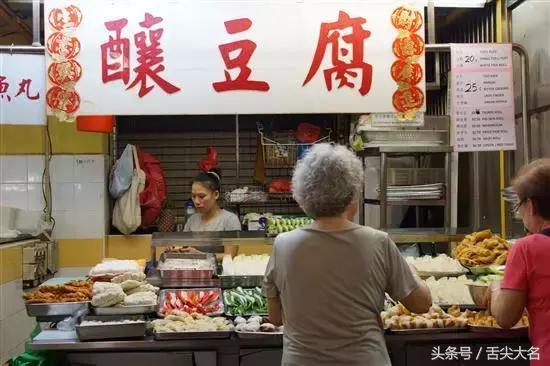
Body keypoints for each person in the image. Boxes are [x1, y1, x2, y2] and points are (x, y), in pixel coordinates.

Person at [263, 143, 432, 366]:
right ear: (352, 192)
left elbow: (275, 318)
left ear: (303, 193)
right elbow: (421, 304)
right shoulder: (378, 242)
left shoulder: (284, 244)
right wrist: (409, 267)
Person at [488, 158, 550, 366]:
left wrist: (496, 289)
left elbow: (506, 318)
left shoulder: (526, 248)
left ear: (531, 205)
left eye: (519, 204)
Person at [180, 168, 241, 255]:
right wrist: (175, 248)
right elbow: (183, 247)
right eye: (193, 196)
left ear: (216, 194)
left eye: (201, 196)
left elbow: (230, 256)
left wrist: (199, 254)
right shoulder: (192, 220)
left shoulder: (229, 219)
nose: (196, 202)